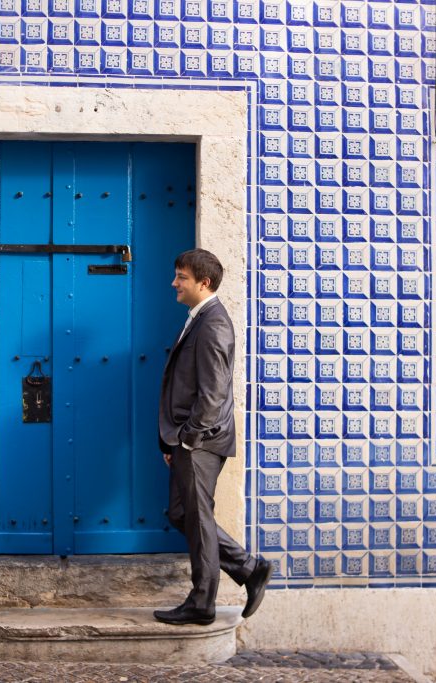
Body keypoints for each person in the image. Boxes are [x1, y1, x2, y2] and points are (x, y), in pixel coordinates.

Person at [155, 249, 273, 626]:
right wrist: (174, 440)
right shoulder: (199, 319)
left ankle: (202, 602)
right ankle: (248, 568)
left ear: (203, 283)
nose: (175, 283)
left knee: (198, 517)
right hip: (189, 440)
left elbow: (213, 393)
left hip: (200, 441)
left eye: (181, 277)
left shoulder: (213, 323)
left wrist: (188, 438)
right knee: (183, 514)